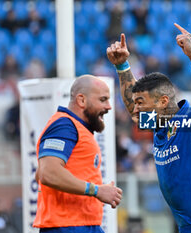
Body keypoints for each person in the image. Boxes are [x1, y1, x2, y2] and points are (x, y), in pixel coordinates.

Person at [107, 23, 191, 233]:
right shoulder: (160, 126)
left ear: (163, 101)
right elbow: (133, 110)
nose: (136, 109)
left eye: (141, 102)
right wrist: (122, 66)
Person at [33, 75, 123, 233]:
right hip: (67, 226)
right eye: (103, 100)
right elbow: (48, 173)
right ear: (81, 100)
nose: (109, 106)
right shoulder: (64, 125)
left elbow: (41, 171)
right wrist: (96, 190)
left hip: (83, 224)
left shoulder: (79, 129)